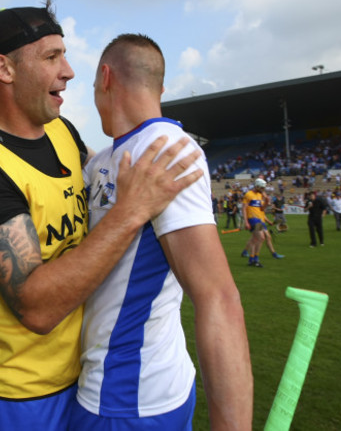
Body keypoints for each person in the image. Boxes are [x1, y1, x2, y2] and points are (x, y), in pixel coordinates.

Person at [0, 3, 201, 431]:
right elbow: (36, 308)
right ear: (4, 68)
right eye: (52, 56)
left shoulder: (62, 131)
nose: (71, 70)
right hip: (18, 397)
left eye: (65, 54)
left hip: (83, 376)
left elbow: (95, 178)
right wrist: (131, 211)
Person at [72, 33, 252, 430]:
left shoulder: (166, 150)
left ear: (105, 77)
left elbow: (218, 297)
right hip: (115, 387)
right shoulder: (110, 155)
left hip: (129, 396)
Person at [242, 179, 284, 267]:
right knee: (261, 237)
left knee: (255, 239)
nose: (263, 190)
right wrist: (246, 221)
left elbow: (262, 209)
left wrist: (267, 201)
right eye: (261, 188)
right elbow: (244, 208)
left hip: (260, 220)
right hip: (253, 219)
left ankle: (251, 260)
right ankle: (255, 259)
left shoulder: (259, 195)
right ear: (257, 186)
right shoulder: (249, 194)